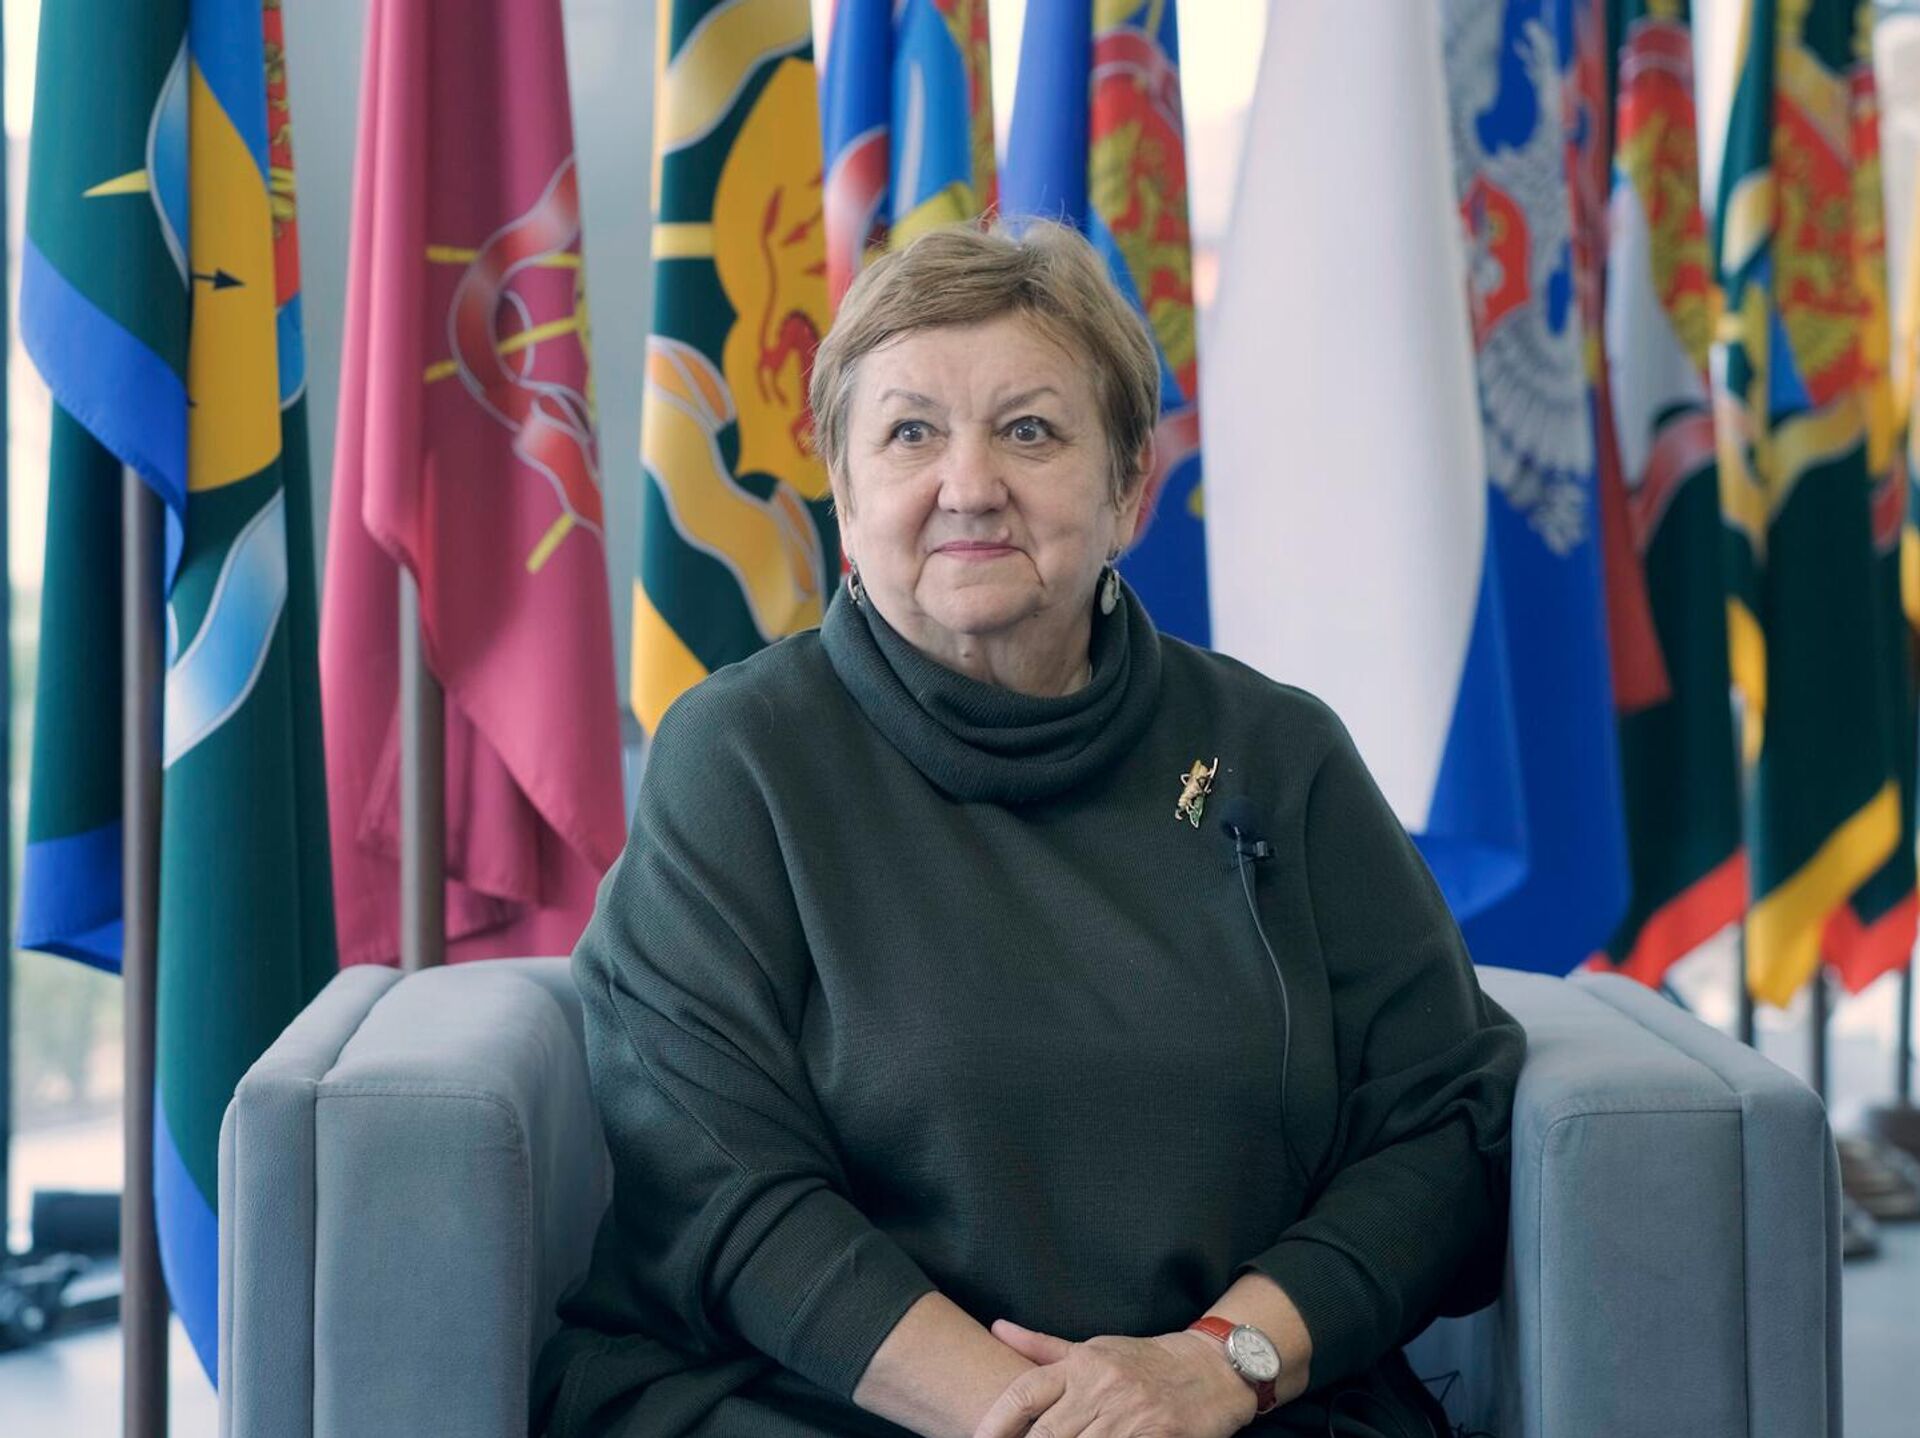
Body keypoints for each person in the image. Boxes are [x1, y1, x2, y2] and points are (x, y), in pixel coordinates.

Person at [530, 221, 1526, 1438]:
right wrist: (1050, 1423)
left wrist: (1216, 1366)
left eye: (1030, 430)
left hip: (1227, 1409)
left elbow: (1446, 1124)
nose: (969, 484)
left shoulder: (1280, 753)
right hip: (810, 1401)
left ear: (1130, 487)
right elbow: (713, 1175)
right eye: (910, 433)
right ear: (845, 492)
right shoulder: (739, 758)